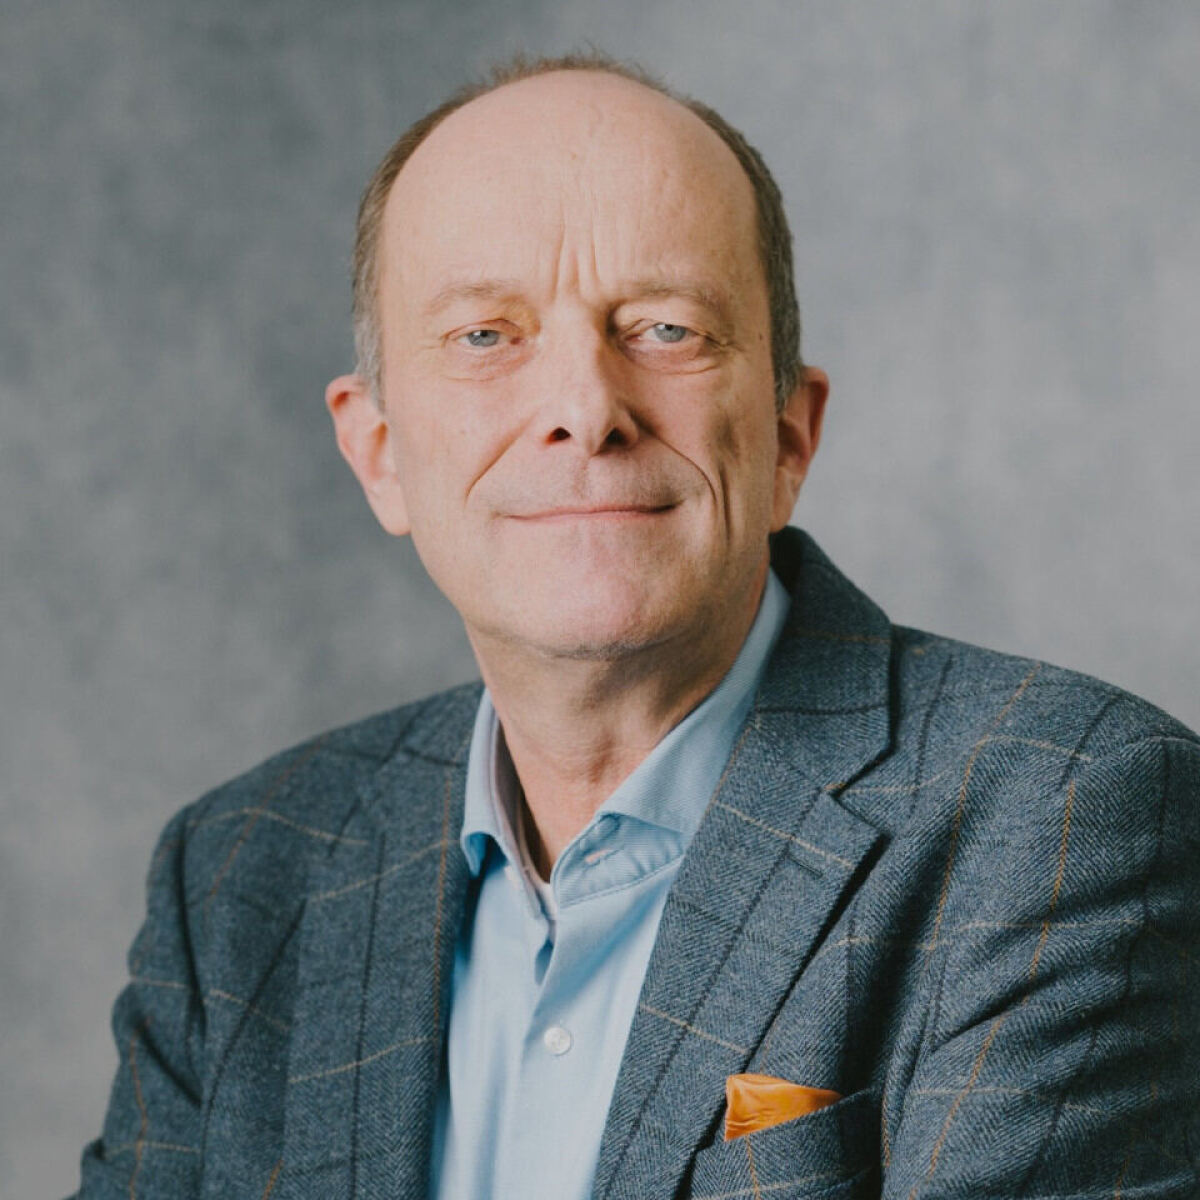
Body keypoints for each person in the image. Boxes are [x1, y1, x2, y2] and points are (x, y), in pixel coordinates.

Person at [74, 53, 1199, 1200]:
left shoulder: (1066, 816)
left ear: (789, 435)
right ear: (378, 453)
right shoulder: (240, 873)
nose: (584, 409)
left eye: (667, 328)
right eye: (485, 336)